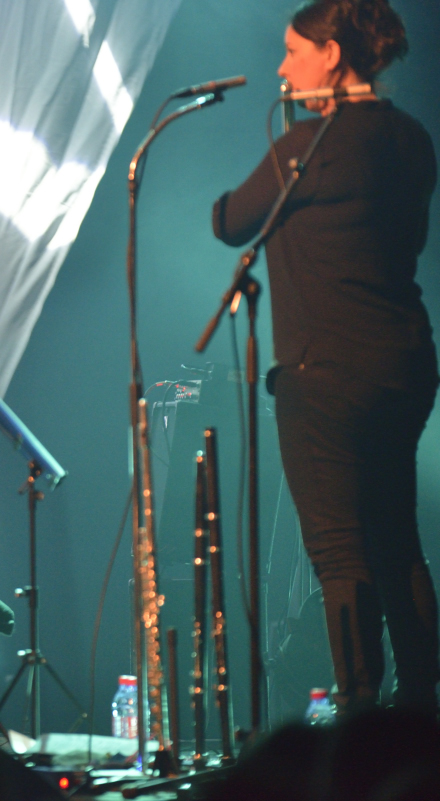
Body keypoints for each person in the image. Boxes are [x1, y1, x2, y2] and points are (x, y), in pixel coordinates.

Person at [213, 0, 438, 716]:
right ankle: (423, 711)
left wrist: (289, 144)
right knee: (397, 542)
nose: (283, 69)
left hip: (326, 372)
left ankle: (359, 721)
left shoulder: (307, 148)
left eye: (292, 51)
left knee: (341, 553)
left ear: (332, 54)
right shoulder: (413, 139)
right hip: (405, 365)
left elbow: (230, 220)